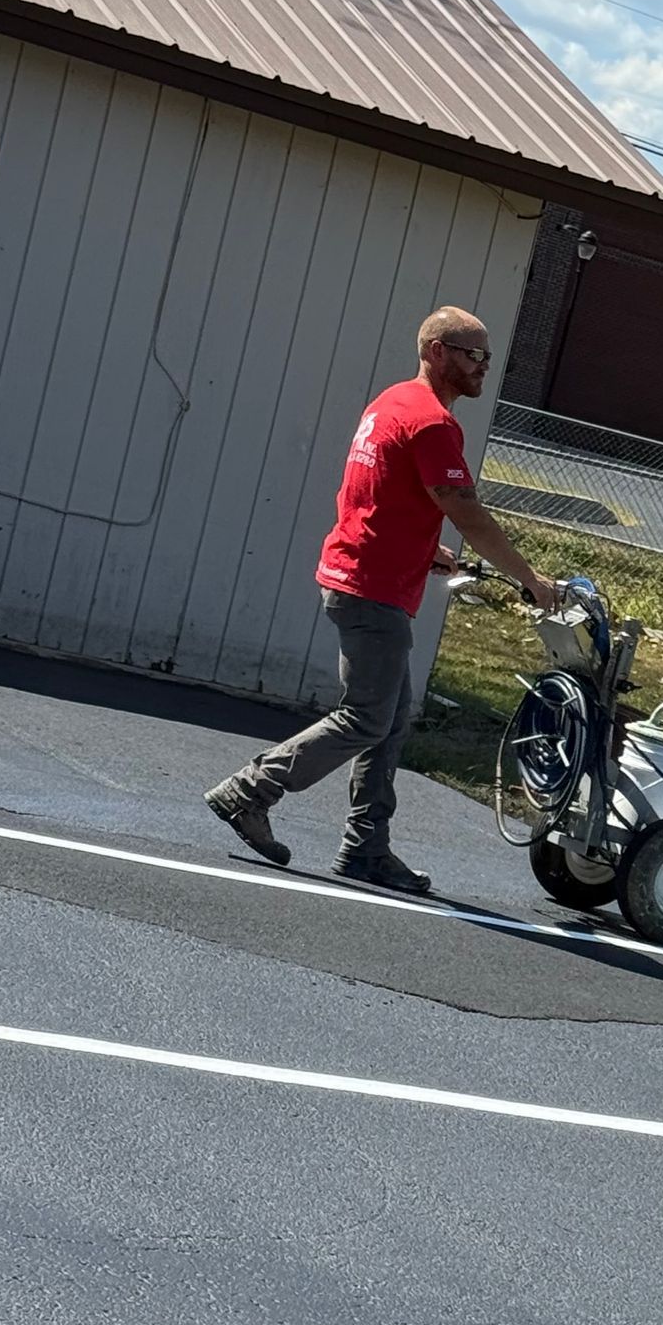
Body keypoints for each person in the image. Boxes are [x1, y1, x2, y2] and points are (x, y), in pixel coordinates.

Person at [205, 306, 562, 894]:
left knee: (391, 719)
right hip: (372, 592)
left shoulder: (391, 404)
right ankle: (251, 790)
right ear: (437, 351)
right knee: (367, 717)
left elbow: (374, 493)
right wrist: (530, 578)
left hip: (362, 575)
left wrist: (427, 552)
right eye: (473, 355)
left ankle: (366, 847)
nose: (482, 368)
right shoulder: (431, 422)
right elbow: (466, 512)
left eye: (487, 358)